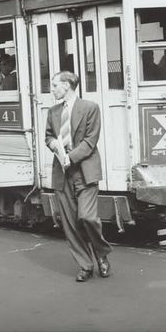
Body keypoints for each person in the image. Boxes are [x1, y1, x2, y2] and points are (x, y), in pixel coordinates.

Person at [44, 71, 112, 282]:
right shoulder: (53, 111)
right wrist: (53, 143)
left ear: (67, 86)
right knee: (70, 225)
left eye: (55, 85)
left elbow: (91, 141)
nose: (52, 89)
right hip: (63, 176)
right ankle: (85, 265)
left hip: (85, 172)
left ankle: (101, 252)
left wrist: (70, 158)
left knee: (87, 217)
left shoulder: (90, 108)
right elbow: (49, 136)